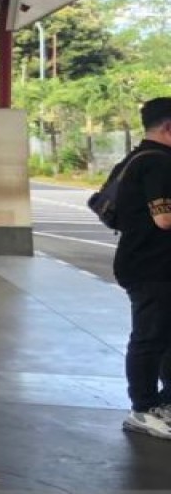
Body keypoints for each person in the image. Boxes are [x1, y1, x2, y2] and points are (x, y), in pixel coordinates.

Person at [112, 97, 171, 440]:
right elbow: (164, 218)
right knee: (150, 338)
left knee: (162, 337)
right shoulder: (158, 163)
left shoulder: (136, 158)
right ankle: (143, 408)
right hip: (152, 265)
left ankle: (161, 402)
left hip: (145, 261)